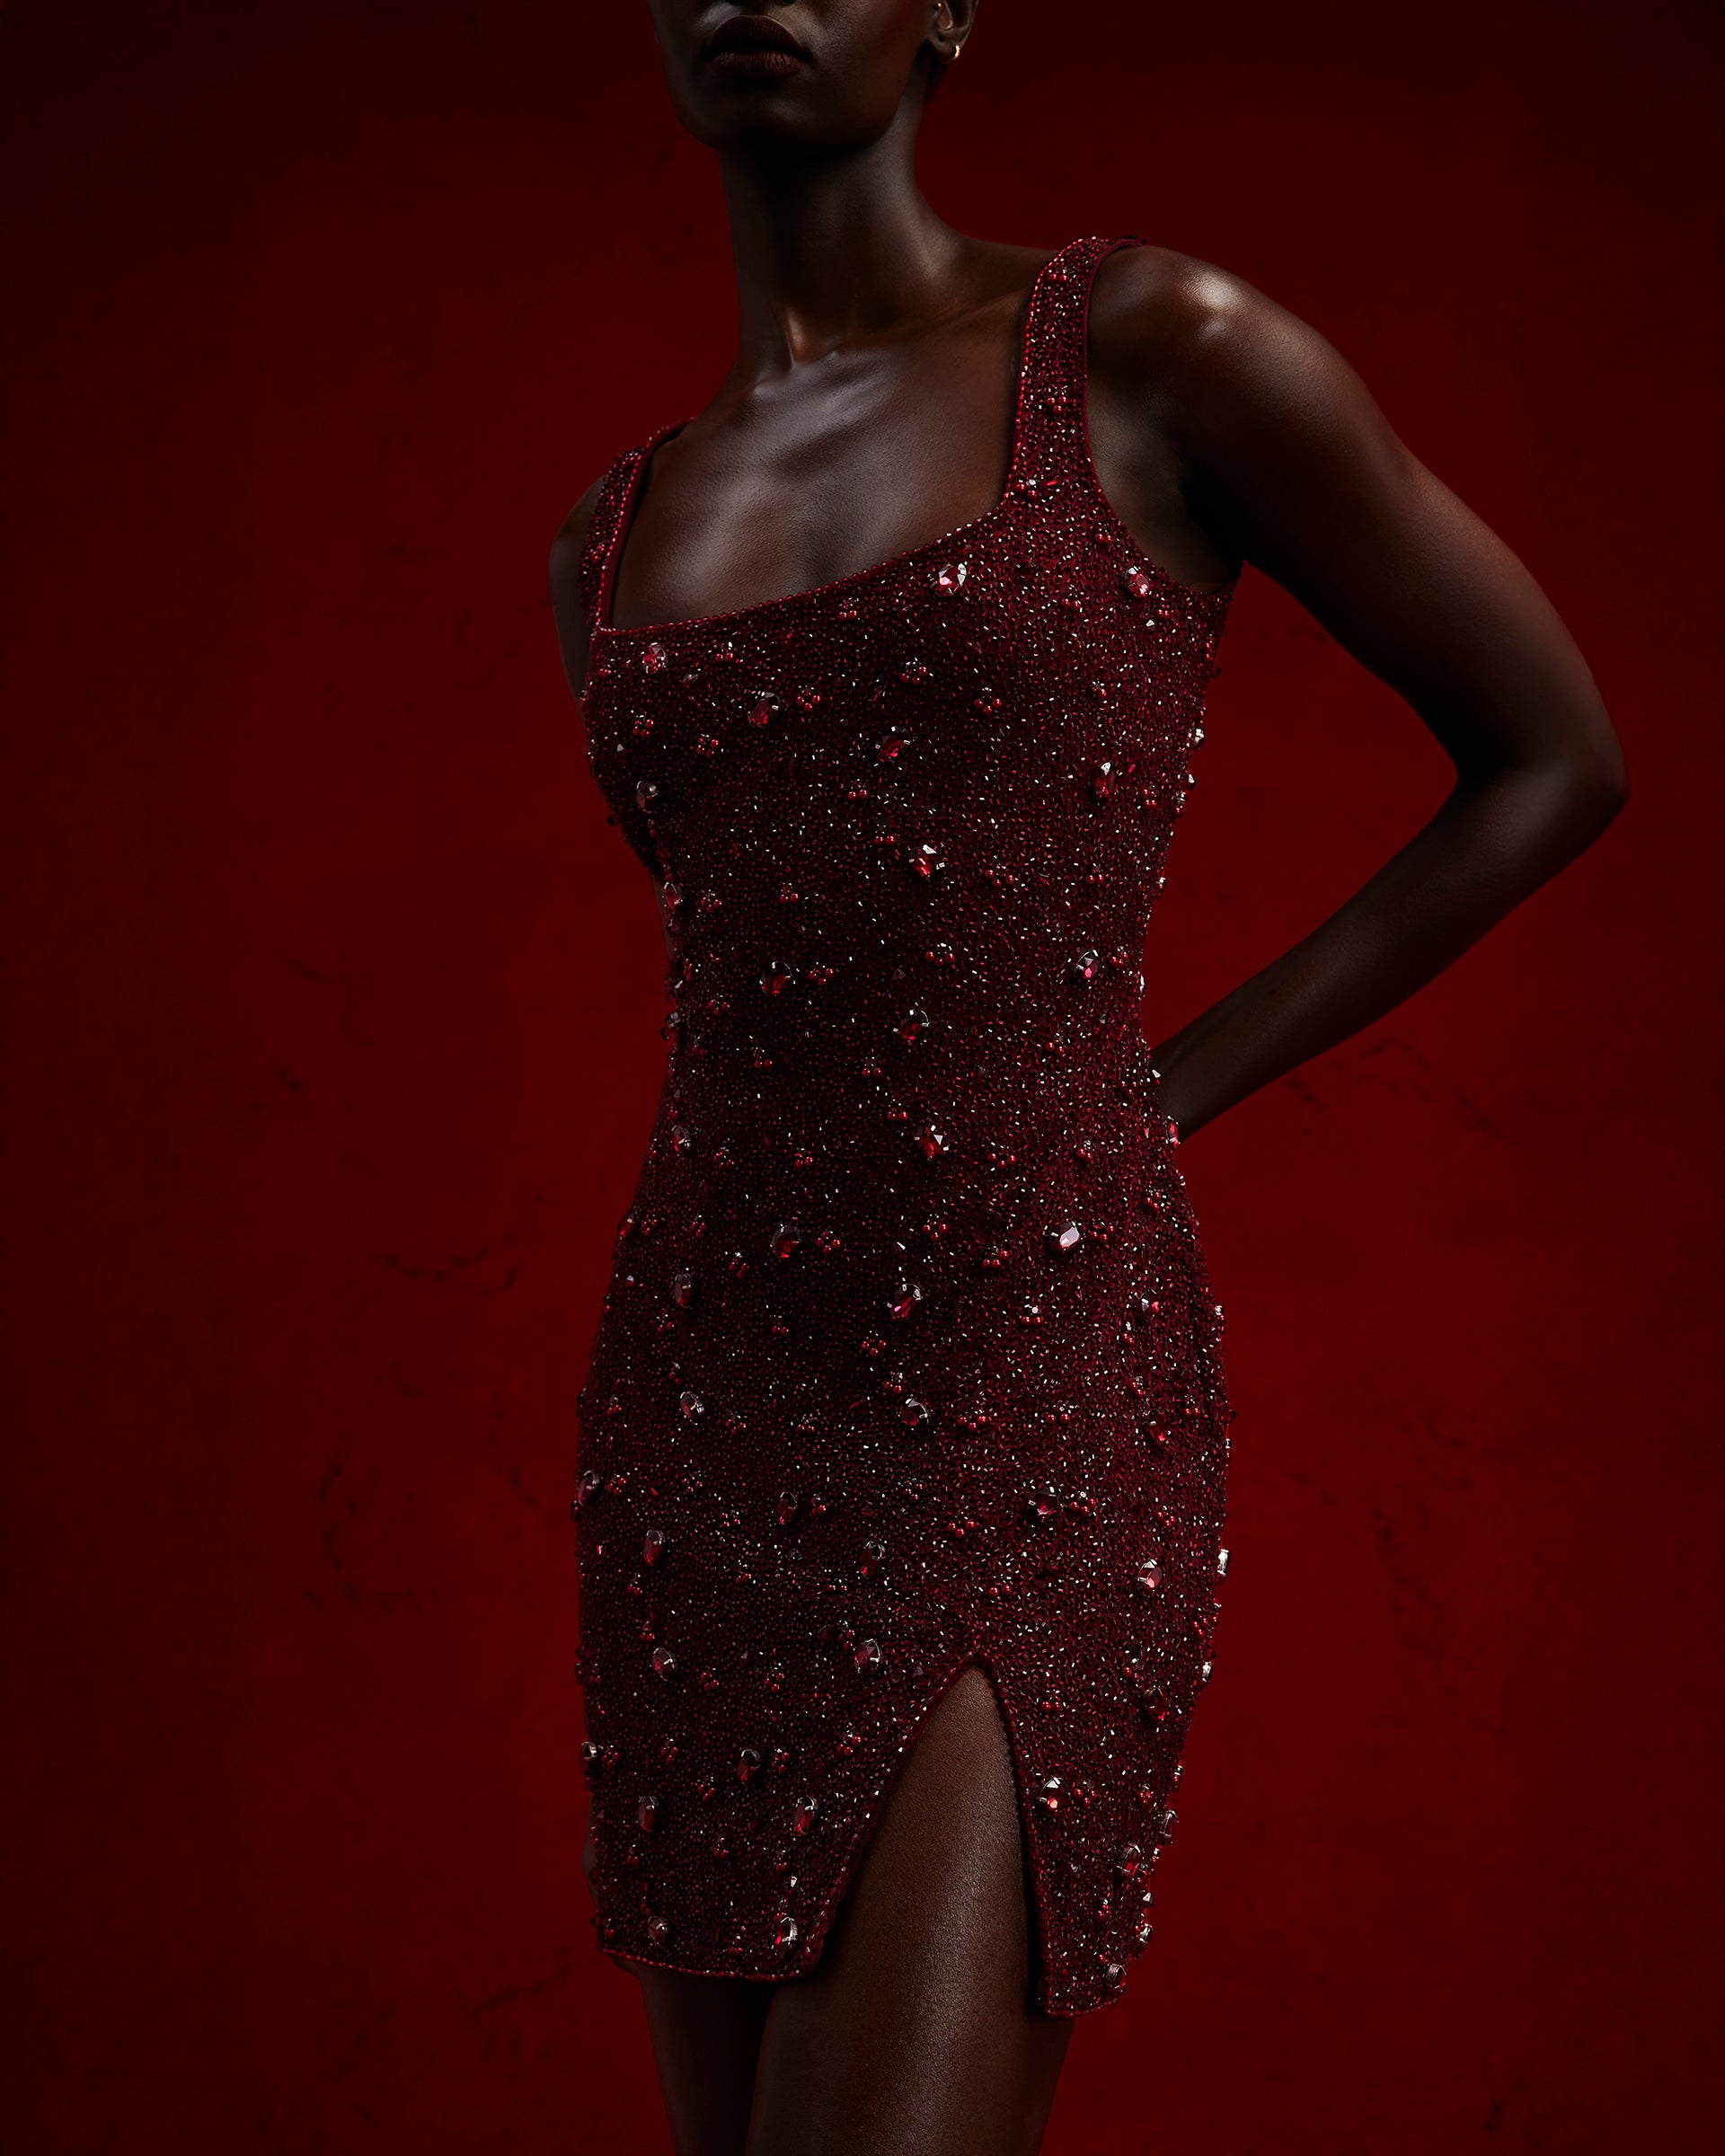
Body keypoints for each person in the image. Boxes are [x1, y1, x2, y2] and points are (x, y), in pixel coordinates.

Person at [546, 6, 1626, 2152]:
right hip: (700, 1411)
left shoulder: (1145, 351)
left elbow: (1555, 758)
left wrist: (1166, 1087)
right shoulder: (609, 539)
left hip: (1026, 1386)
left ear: (951, 4)